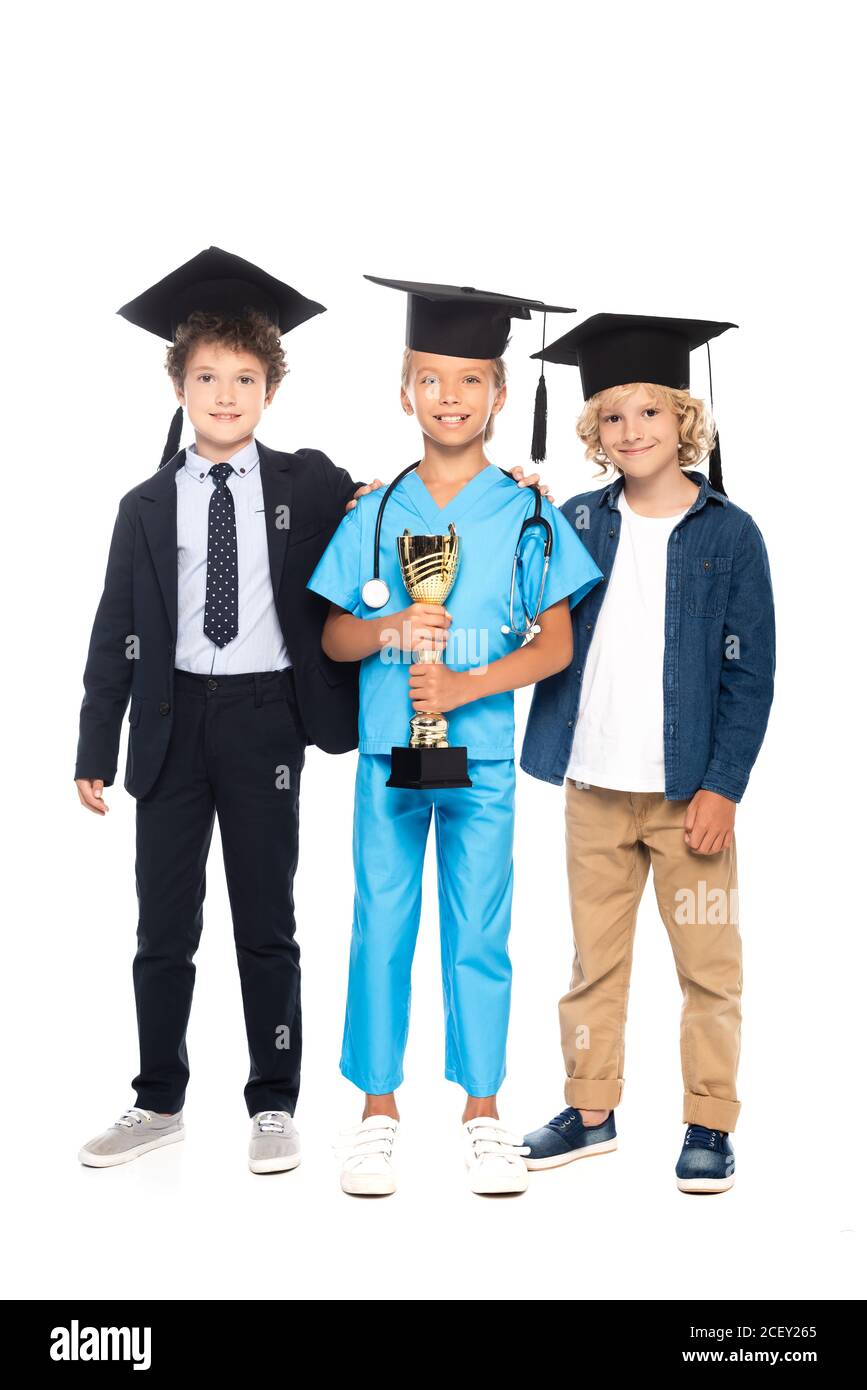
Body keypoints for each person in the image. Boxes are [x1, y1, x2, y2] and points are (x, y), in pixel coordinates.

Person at [74, 249, 550, 1175]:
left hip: (265, 723)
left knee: (267, 918)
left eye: (244, 379)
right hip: (170, 723)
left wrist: (515, 487)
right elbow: (111, 630)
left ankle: (274, 1101)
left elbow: (401, 502)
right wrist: (98, 743)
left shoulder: (311, 483)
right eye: (206, 377)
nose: (224, 395)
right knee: (162, 925)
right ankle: (156, 1097)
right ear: (177, 384)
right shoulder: (143, 505)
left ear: (271, 389)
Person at [307, 278, 602, 1196]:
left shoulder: (523, 514)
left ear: (500, 395)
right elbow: (333, 635)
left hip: (474, 758)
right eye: (431, 380)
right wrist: (392, 630)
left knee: (481, 928)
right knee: (380, 921)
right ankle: (377, 1111)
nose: (449, 397)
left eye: (470, 381)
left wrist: (470, 679)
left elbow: (553, 646)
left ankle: (482, 1110)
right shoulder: (375, 509)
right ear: (405, 390)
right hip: (391, 748)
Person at [519, 313, 775, 1193]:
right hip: (591, 787)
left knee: (709, 966)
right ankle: (590, 1110)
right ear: (594, 431)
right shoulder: (573, 521)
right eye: (613, 418)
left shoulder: (728, 534)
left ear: (683, 422)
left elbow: (751, 675)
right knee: (593, 963)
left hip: (686, 797)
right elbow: (521, 598)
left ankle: (709, 1121)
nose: (632, 432)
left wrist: (724, 788)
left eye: (650, 414)